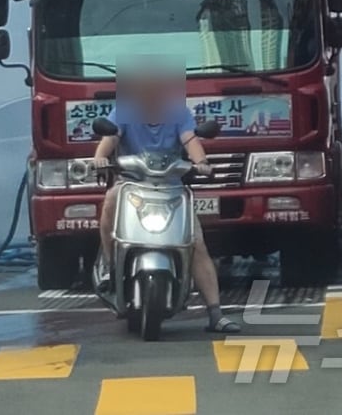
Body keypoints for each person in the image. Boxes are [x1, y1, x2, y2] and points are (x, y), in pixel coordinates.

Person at [93, 64, 242, 334]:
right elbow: (109, 139)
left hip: (171, 187)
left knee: (195, 243)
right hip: (132, 185)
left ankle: (216, 314)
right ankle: (109, 265)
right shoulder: (124, 112)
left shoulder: (179, 114)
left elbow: (191, 141)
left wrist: (202, 162)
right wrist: (100, 158)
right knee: (109, 203)